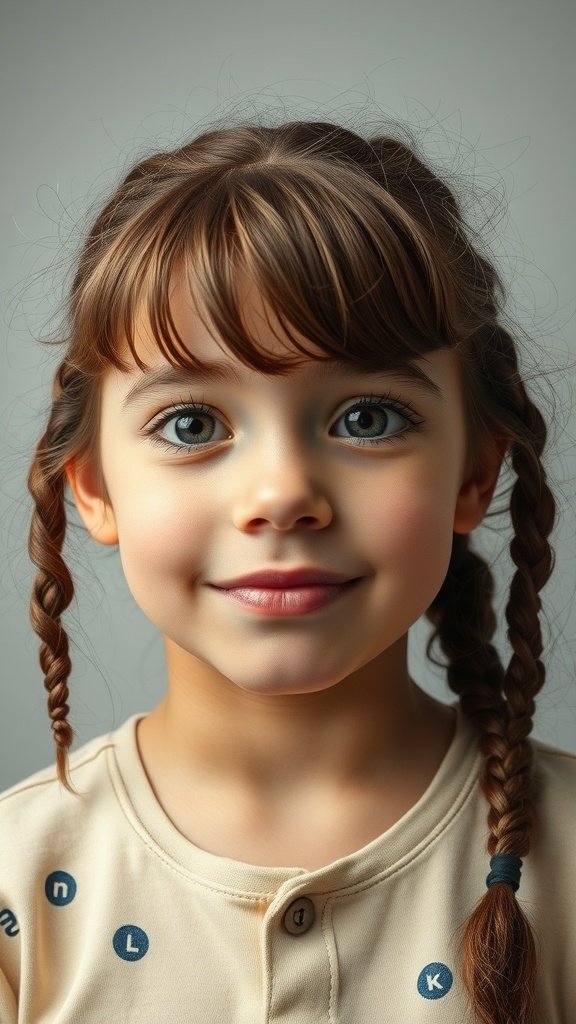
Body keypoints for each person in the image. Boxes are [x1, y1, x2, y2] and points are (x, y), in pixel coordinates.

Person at [0, 119, 573, 1024]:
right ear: (96, 486)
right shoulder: (16, 884)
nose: (282, 495)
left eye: (368, 418)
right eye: (193, 424)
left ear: (474, 473)